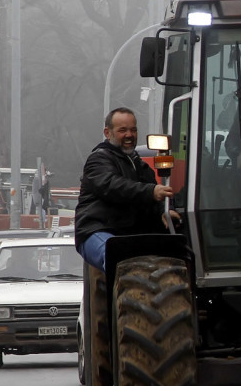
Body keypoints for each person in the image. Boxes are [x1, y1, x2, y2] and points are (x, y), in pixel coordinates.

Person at [74, 107, 173, 271]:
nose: (129, 135)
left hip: (129, 234)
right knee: (117, 256)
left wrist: (164, 211)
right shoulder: (98, 160)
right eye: (123, 130)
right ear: (108, 133)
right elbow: (112, 185)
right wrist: (151, 192)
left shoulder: (137, 163)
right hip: (98, 229)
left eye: (133, 130)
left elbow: (156, 194)